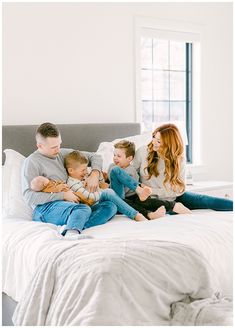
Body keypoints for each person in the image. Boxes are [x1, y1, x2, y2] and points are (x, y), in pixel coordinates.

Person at [22, 122, 117, 240]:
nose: (58, 149)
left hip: (72, 204)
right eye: (53, 147)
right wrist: (62, 195)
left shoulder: (61, 154)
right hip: (45, 208)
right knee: (83, 209)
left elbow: (95, 156)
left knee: (110, 206)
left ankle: (75, 226)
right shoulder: (31, 162)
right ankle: (72, 233)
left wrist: (95, 174)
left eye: (59, 144)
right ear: (39, 145)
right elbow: (28, 196)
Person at [132, 123, 233, 211]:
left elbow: (178, 190)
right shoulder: (142, 152)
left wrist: (151, 191)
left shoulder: (179, 160)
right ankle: (172, 209)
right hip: (148, 199)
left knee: (207, 201)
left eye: (158, 141)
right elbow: (131, 177)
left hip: (174, 197)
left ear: (169, 145)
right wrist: (143, 191)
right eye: (154, 137)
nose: (153, 142)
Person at [108, 140, 191, 219]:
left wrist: (141, 187)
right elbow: (111, 181)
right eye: (114, 155)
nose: (115, 158)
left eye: (118, 156)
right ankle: (150, 214)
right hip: (122, 198)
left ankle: (173, 206)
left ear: (129, 158)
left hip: (134, 195)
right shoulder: (112, 167)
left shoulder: (131, 170)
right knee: (127, 203)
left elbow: (134, 182)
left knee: (145, 202)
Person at [64, 150, 148, 221]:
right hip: (96, 203)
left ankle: (138, 189)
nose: (86, 172)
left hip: (109, 196)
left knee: (115, 170)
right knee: (109, 194)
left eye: (86, 169)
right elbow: (91, 198)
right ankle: (136, 215)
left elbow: (101, 181)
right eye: (83, 170)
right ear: (71, 170)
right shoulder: (72, 183)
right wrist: (101, 189)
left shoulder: (85, 175)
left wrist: (96, 176)